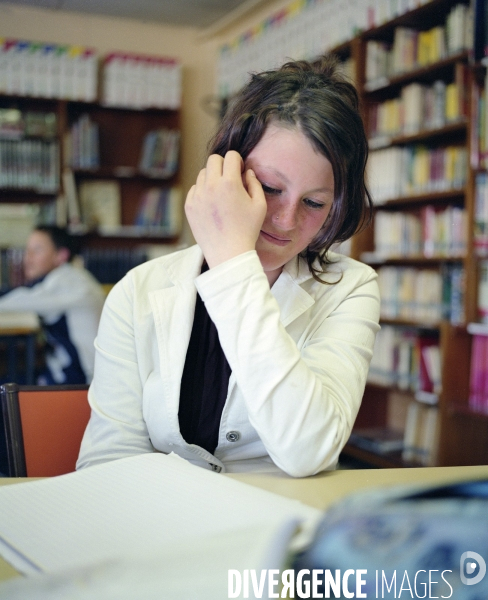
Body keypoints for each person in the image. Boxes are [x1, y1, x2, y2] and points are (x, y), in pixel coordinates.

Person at [77, 55, 380, 477]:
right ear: (225, 171)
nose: (286, 220)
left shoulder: (351, 287)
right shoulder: (138, 290)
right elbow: (106, 461)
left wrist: (233, 263)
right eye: (271, 188)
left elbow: (309, 450)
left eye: (314, 202)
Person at [0, 226, 105, 385]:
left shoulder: (68, 282)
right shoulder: (70, 276)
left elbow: (18, 301)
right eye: (27, 250)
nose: (28, 257)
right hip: (75, 374)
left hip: (84, 383)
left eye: (37, 250)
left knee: (8, 393)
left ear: (61, 255)